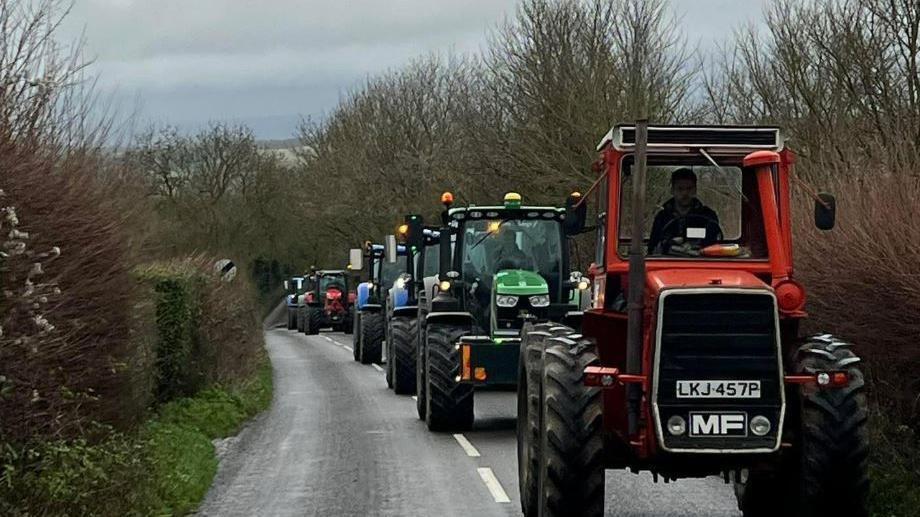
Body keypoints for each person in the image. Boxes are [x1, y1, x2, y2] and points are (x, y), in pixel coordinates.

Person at [647, 168, 723, 254]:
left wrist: (696, 246)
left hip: (701, 262)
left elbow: (715, 246)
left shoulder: (708, 216)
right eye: (680, 189)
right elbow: (652, 248)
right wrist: (668, 246)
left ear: (695, 190)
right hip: (669, 262)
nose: (685, 193)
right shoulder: (662, 217)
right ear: (672, 190)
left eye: (689, 189)